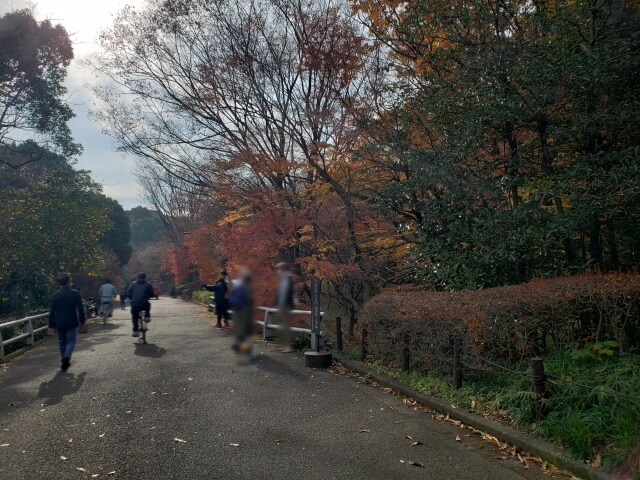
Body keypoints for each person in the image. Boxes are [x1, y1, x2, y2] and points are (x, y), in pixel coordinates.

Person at [48, 274, 86, 371]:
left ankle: (63, 358)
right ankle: (66, 357)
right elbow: (80, 309)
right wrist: (82, 322)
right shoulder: (75, 293)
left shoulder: (56, 295)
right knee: (71, 341)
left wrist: (50, 324)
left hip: (59, 322)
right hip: (72, 321)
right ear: (69, 282)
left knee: (62, 341)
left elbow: (52, 311)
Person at [229, 268, 255, 359]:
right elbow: (250, 300)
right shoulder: (248, 286)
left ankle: (242, 350)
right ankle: (248, 352)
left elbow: (231, 297)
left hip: (238, 311)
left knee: (241, 332)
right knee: (247, 333)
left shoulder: (238, 285)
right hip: (246, 312)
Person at [275, 262, 295, 353]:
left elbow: (285, 294)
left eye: (279, 269)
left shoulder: (287, 279)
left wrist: (281, 306)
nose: (277, 271)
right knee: (283, 326)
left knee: (286, 326)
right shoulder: (284, 279)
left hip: (285, 306)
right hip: (283, 306)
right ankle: (283, 345)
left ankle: (287, 346)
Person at [126, 272, 154, 337]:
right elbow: (152, 294)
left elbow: (128, 293)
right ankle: (147, 316)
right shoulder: (148, 284)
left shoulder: (133, 284)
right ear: (145, 277)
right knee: (148, 304)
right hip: (144, 303)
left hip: (135, 304)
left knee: (135, 317)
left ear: (138, 277)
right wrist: (150, 296)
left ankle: (135, 331)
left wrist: (131, 298)